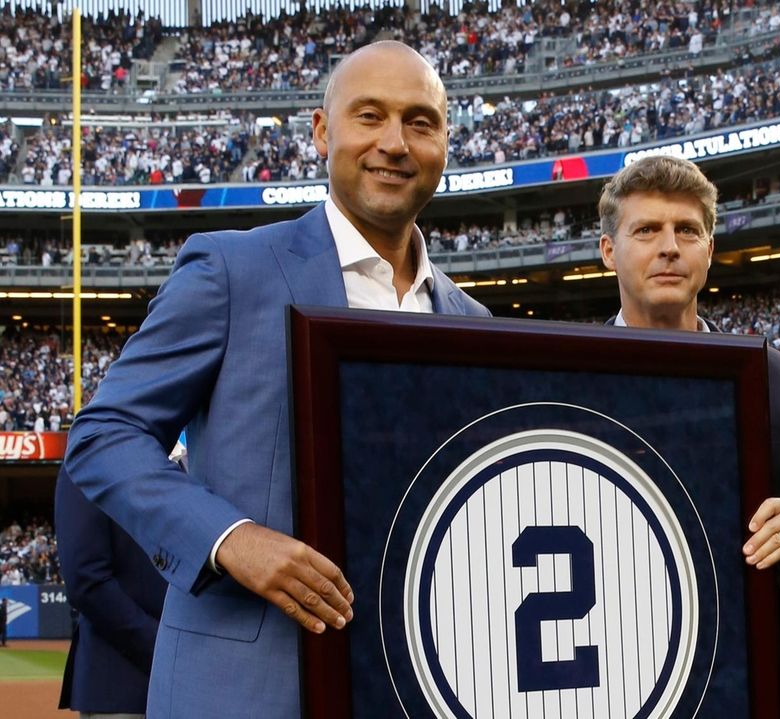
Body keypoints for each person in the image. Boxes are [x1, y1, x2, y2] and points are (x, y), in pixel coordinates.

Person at [63, 42, 490, 718]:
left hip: (416, 685)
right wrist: (230, 537)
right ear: (323, 132)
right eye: (369, 116)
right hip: (245, 688)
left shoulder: (473, 321)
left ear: (444, 140)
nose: (393, 143)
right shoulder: (233, 269)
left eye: (419, 121)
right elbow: (104, 433)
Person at [597, 155, 780, 717]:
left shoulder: (778, 382)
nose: (669, 247)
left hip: (748, 685)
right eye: (646, 230)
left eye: (687, 230)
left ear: (710, 251)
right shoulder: (563, 380)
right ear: (609, 251)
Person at [55, 466, 166, 718]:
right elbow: (86, 581)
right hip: (122, 686)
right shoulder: (87, 462)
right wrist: (163, 648)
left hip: (195, 686)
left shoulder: (192, 463)